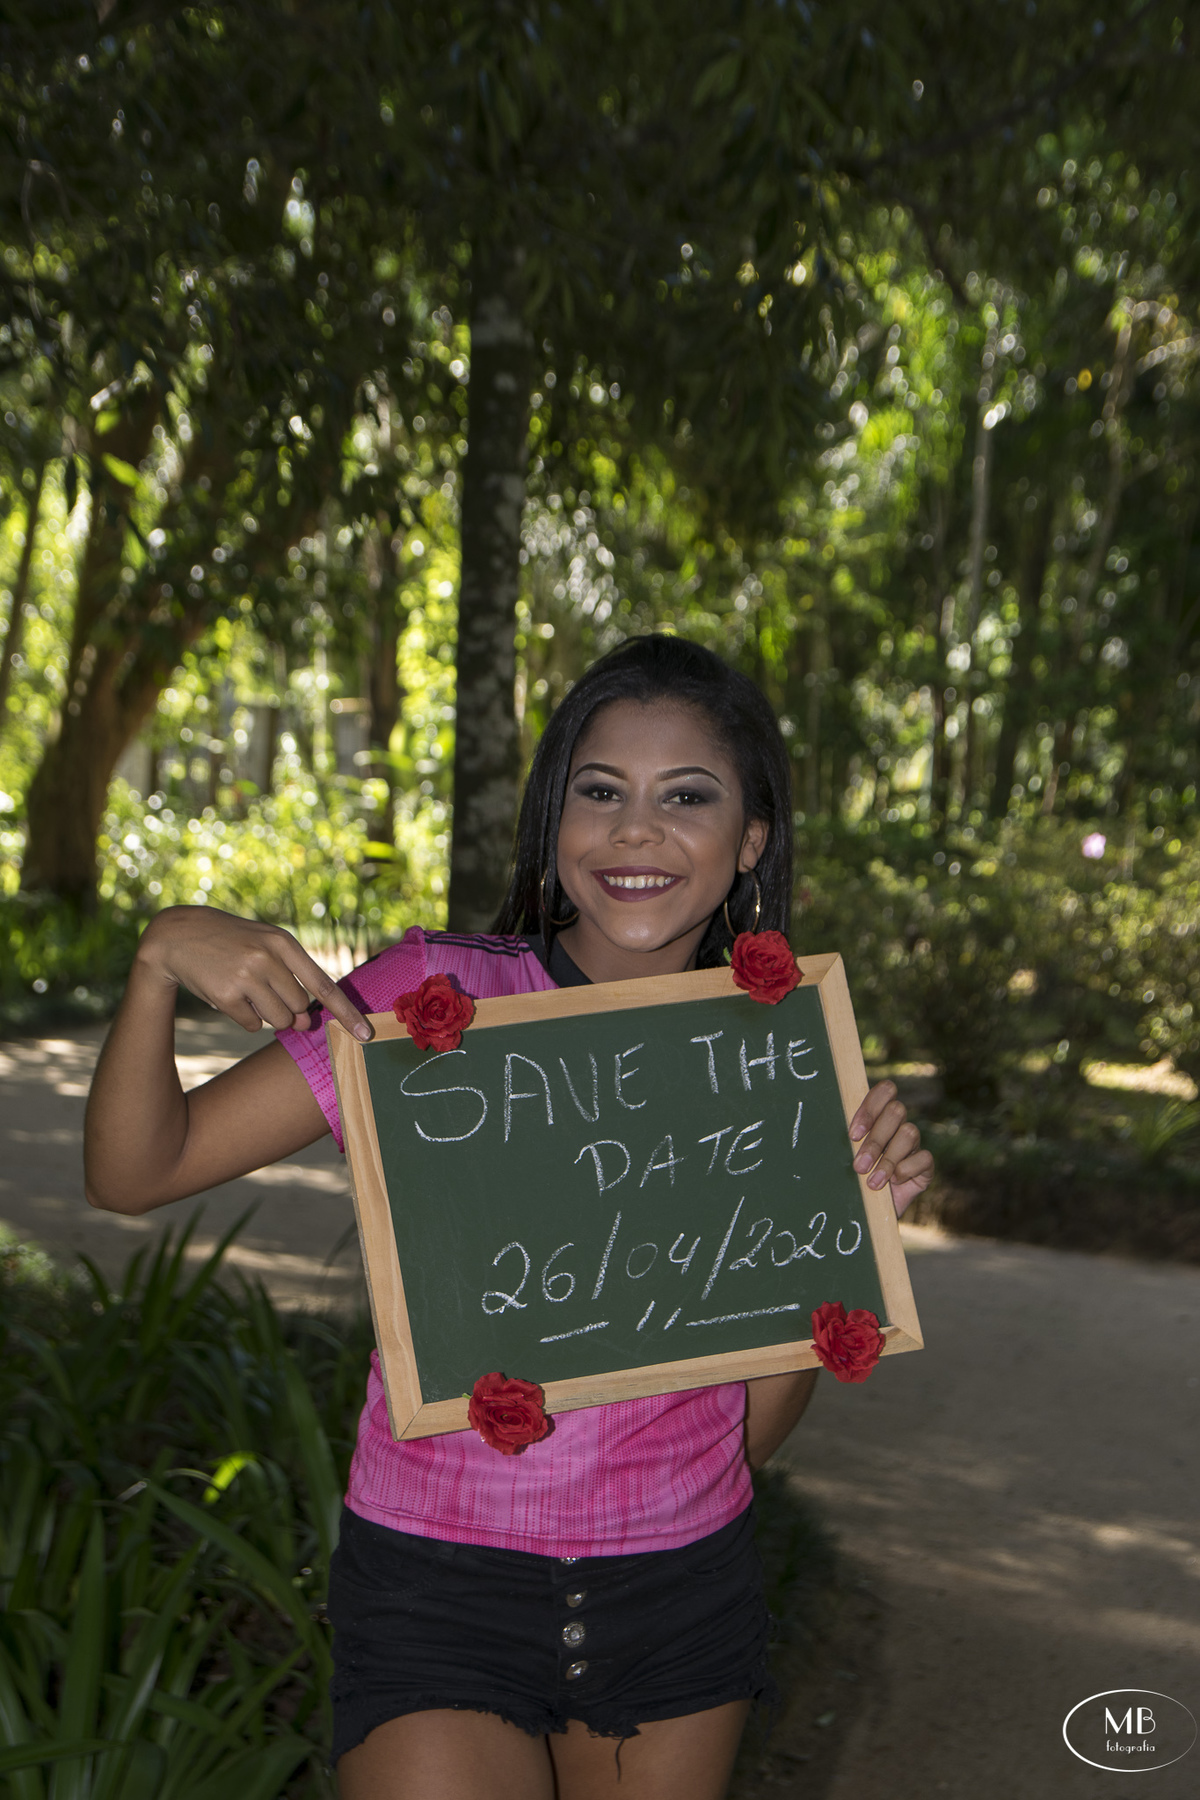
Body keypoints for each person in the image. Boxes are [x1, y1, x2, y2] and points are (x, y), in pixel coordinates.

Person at [85, 634, 932, 1800]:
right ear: (554, 822)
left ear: (750, 842)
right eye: (601, 793)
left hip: (679, 1600)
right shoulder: (430, 1000)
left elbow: (743, 1435)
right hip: (437, 1587)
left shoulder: (777, 1060)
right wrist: (158, 959)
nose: (637, 832)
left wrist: (851, 1220)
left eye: (687, 798)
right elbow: (139, 1171)